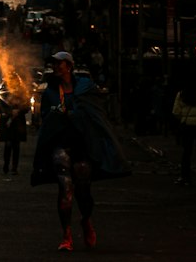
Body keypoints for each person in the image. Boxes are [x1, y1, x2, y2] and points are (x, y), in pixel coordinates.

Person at [31, 51, 129, 252]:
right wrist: (56, 116)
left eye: (60, 64)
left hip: (82, 145)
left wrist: (73, 114)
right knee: (65, 190)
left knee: (83, 190)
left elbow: (94, 116)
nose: (56, 67)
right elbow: (46, 119)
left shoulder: (85, 89)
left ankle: (86, 220)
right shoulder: (50, 92)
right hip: (60, 144)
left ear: (69, 66)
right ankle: (66, 235)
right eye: (54, 64)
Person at [0, 84, 29, 176]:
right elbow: (0, 106)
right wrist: (9, 113)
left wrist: (19, 111)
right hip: (7, 122)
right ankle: (6, 165)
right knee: (8, 144)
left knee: (16, 145)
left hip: (18, 122)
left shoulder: (21, 93)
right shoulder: (4, 91)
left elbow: (26, 107)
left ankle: (14, 167)